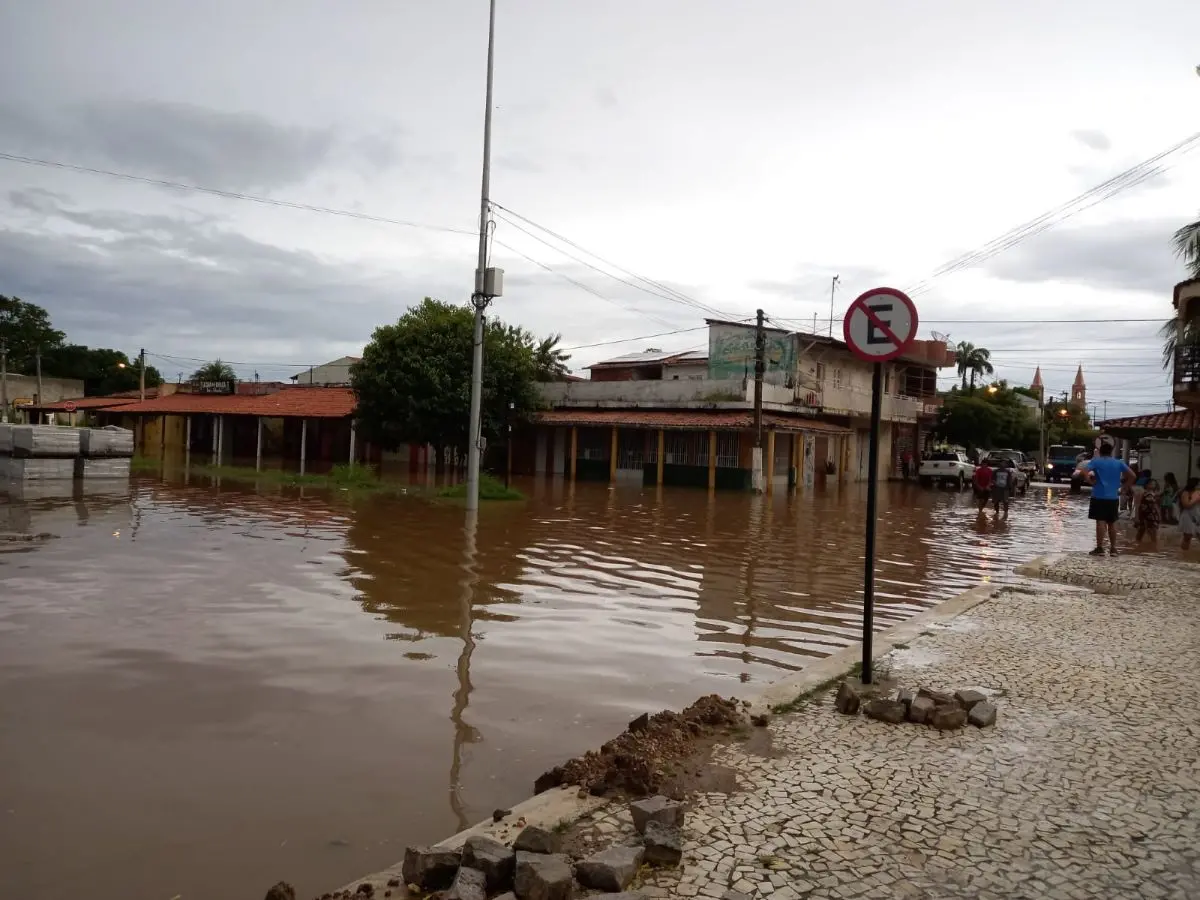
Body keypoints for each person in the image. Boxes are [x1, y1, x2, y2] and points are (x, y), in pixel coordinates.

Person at [1080, 442, 1134, 556]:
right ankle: (1113, 549)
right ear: (1111, 451)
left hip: (1098, 496)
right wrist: (1124, 488)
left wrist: (1090, 481)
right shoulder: (1118, 463)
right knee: (1112, 523)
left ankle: (1100, 548)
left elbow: (1083, 471)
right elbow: (1132, 475)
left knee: (1100, 522)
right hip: (1113, 497)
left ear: (1100, 451)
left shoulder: (1096, 461)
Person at [1135, 478, 1162, 545]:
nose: (1152, 485)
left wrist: (1159, 515)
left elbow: (1156, 506)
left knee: (1152, 532)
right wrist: (1137, 517)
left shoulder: (1155, 494)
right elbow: (1137, 504)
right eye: (1150, 483)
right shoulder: (1142, 493)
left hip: (1152, 515)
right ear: (1146, 484)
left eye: (1153, 484)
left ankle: (1152, 546)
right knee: (1142, 531)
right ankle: (1140, 546)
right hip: (1144, 515)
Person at [1179, 478, 1200, 551]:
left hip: (1197, 515)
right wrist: (1196, 500)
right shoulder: (1185, 493)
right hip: (1188, 516)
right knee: (1187, 537)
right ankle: (1184, 555)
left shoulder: (1198, 492)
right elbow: (1186, 505)